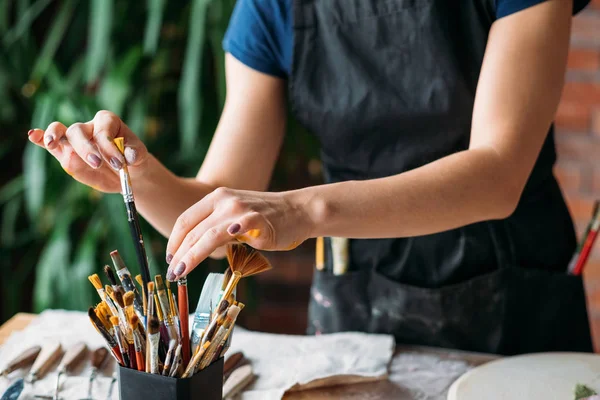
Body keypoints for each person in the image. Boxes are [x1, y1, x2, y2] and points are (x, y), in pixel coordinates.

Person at [29, 0, 593, 355]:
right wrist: (138, 175)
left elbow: (498, 172)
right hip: (356, 302)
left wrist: (302, 211)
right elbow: (217, 214)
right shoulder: (271, 8)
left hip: (512, 292)